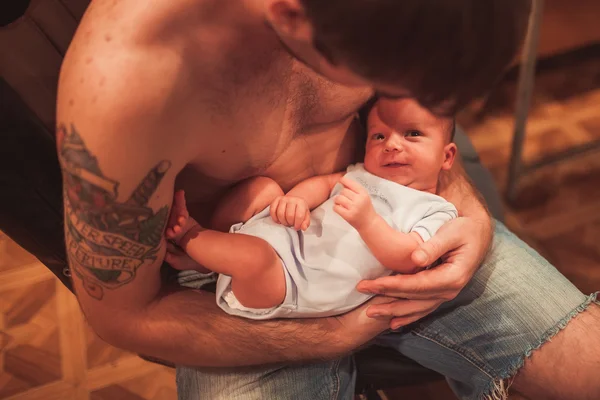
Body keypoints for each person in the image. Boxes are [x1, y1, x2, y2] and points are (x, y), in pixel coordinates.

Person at [56, 0, 600, 399]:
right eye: (385, 81)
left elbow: (420, 130)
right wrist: (329, 331)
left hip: (396, 212)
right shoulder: (127, 86)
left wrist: (471, 216)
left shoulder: (379, 21)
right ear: (291, 15)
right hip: (246, 288)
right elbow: (125, 317)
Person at [164, 98, 458, 319]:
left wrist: (368, 222)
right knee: (261, 189)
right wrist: (298, 200)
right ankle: (208, 262)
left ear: (447, 156)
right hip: (285, 236)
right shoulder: (359, 174)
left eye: (413, 134)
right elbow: (321, 185)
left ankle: (192, 235)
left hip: (291, 282)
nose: (391, 145)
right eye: (378, 136)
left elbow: (410, 259)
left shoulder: (434, 210)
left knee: (255, 258)